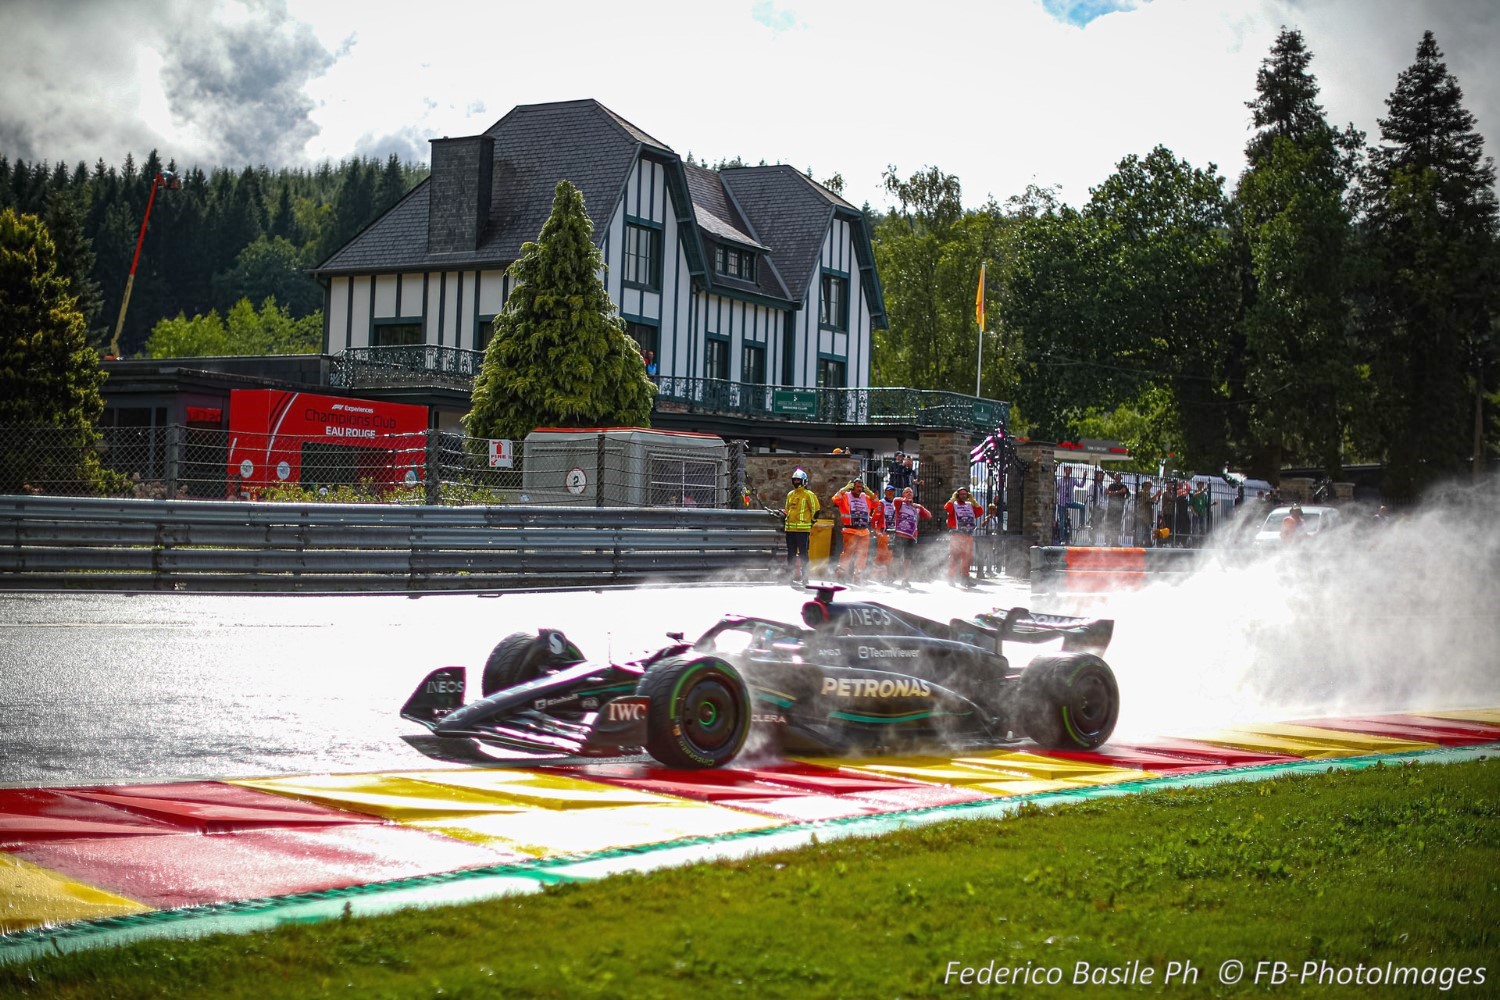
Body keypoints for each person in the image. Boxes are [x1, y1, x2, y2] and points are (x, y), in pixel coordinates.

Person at [781, 468, 819, 585]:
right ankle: (790, 577)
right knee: (791, 554)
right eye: (795, 480)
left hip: (803, 530)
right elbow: (787, 509)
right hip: (790, 529)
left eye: (799, 480)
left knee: (803, 554)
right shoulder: (790, 494)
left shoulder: (809, 495)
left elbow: (816, 510)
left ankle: (805, 578)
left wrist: (811, 522)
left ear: (804, 481)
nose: (796, 482)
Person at [890, 486, 932, 589]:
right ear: (903, 494)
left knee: (908, 559)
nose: (909, 494)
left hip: (911, 536)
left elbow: (928, 516)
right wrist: (906, 500)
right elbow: (896, 500)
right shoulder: (899, 503)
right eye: (907, 492)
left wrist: (919, 507)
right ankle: (891, 576)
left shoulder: (916, 507)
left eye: (911, 492)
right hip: (900, 534)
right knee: (896, 557)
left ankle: (905, 579)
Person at [832, 480, 875, 581]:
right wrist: (844, 489)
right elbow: (835, 499)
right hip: (850, 530)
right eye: (858, 487)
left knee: (862, 553)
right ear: (852, 487)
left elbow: (877, 503)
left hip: (864, 531)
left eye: (861, 487)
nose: (860, 489)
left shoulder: (866, 497)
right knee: (848, 552)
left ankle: (858, 575)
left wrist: (869, 492)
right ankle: (841, 573)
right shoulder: (846, 496)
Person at [944, 486, 985, 588]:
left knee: (967, 558)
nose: (963, 496)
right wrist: (953, 498)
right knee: (955, 557)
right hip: (957, 534)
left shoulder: (970, 505)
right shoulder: (954, 505)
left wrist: (973, 500)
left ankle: (965, 579)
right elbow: (946, 508)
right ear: (957, 495)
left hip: (968, 535)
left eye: (965, 494)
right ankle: (951, 577)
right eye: (961, 494)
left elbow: (980, 512)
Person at [874, 484, 899, 580]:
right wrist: (877, 531)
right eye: (888, 491)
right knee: (883, 553)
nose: (890, 493)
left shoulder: (895, 503)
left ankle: (884, 575)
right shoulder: (881, 503)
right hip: (883, 532)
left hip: (892, 532)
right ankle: (882, 575)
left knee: (889, 553)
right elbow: (875, 518)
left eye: (892, 491)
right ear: (884, 492)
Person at [1056, 464, 1085, 543]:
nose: (1068, 472)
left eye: (1069, 470)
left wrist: (1084, 477)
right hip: (1061, 502)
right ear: (1064, 471)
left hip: (1070, 501)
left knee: (1082, 506)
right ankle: (1062, 538)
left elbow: (1081, 485)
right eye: (1067, 470)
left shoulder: (1073, 480)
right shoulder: (1059, 481)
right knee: (1062, 521)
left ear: (1071, 472)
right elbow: (1055, 490)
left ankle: (1082, 524)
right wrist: (1056, 498)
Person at [1104, 472, 1130, 547]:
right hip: (1111, 508)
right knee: (1109, 524)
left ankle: (1115, 541)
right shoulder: (1111, 486)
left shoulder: (1124, 486)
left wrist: (1125, 498)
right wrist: (1120, 492)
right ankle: (1107, 540)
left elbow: (1128, 494)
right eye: (1116, 477)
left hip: (1119, 508)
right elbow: (1108, 492)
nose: (1117, 478)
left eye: (1118, 477)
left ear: (1120, 478)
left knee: (1117, 525)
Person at [1133, 479, 1156, 548]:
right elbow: (1147, 500)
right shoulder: (1141, 492)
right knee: (1140, 530)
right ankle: (1138, 543)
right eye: (1148, 486)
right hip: (1141, 515)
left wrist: (1156, 497)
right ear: (1144, 486)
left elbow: (1153, 502)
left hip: (1147, 516)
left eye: (1150, 486)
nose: (1149, 487)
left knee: (1147, 530)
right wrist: (1156, 495)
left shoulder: (1147, 493)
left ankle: (1147, 543)